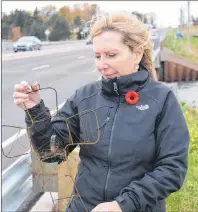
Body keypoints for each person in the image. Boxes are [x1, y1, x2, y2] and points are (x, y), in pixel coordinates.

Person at [13, 12, 189, 212]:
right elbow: (51, 152)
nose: (101, 65)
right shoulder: (85, 97)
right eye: (97, 56)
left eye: (111, 55)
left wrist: (123, 205)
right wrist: (34, 110)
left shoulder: (162, 100)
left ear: (137, 54)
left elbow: (172, 169)